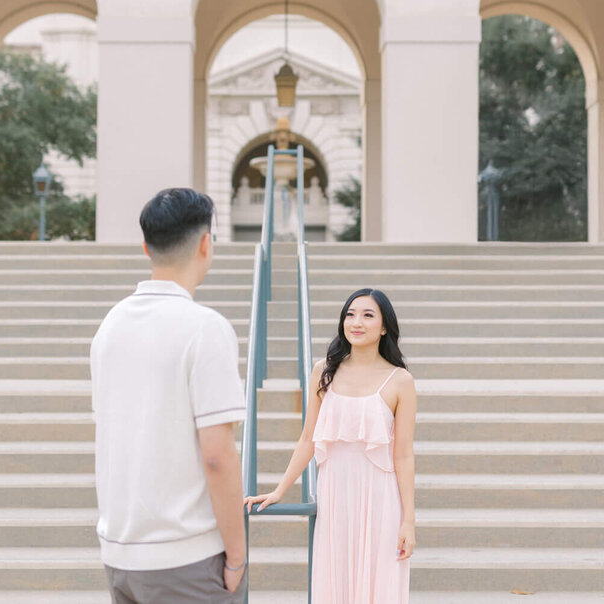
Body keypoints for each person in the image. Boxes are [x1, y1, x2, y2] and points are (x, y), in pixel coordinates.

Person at [91, 188, 247, 602]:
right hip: (187, 558)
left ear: (146, 246)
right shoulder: (205, 329)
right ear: (205, 244)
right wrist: (237, 556)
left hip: (121, 553)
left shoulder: (110, 327)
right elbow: (218, 456)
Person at [245, 288, 416, 603]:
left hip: (380, 497)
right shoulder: (324, 371)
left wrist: (408, 520)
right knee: (335, 583)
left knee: (378, 585)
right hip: (335, 494)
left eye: (367, 315)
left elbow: (403, 456)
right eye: (350, 314)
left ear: (383, 327)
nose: (356, 322)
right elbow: (308, 437)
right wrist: (280, 490)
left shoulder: (400, 380)